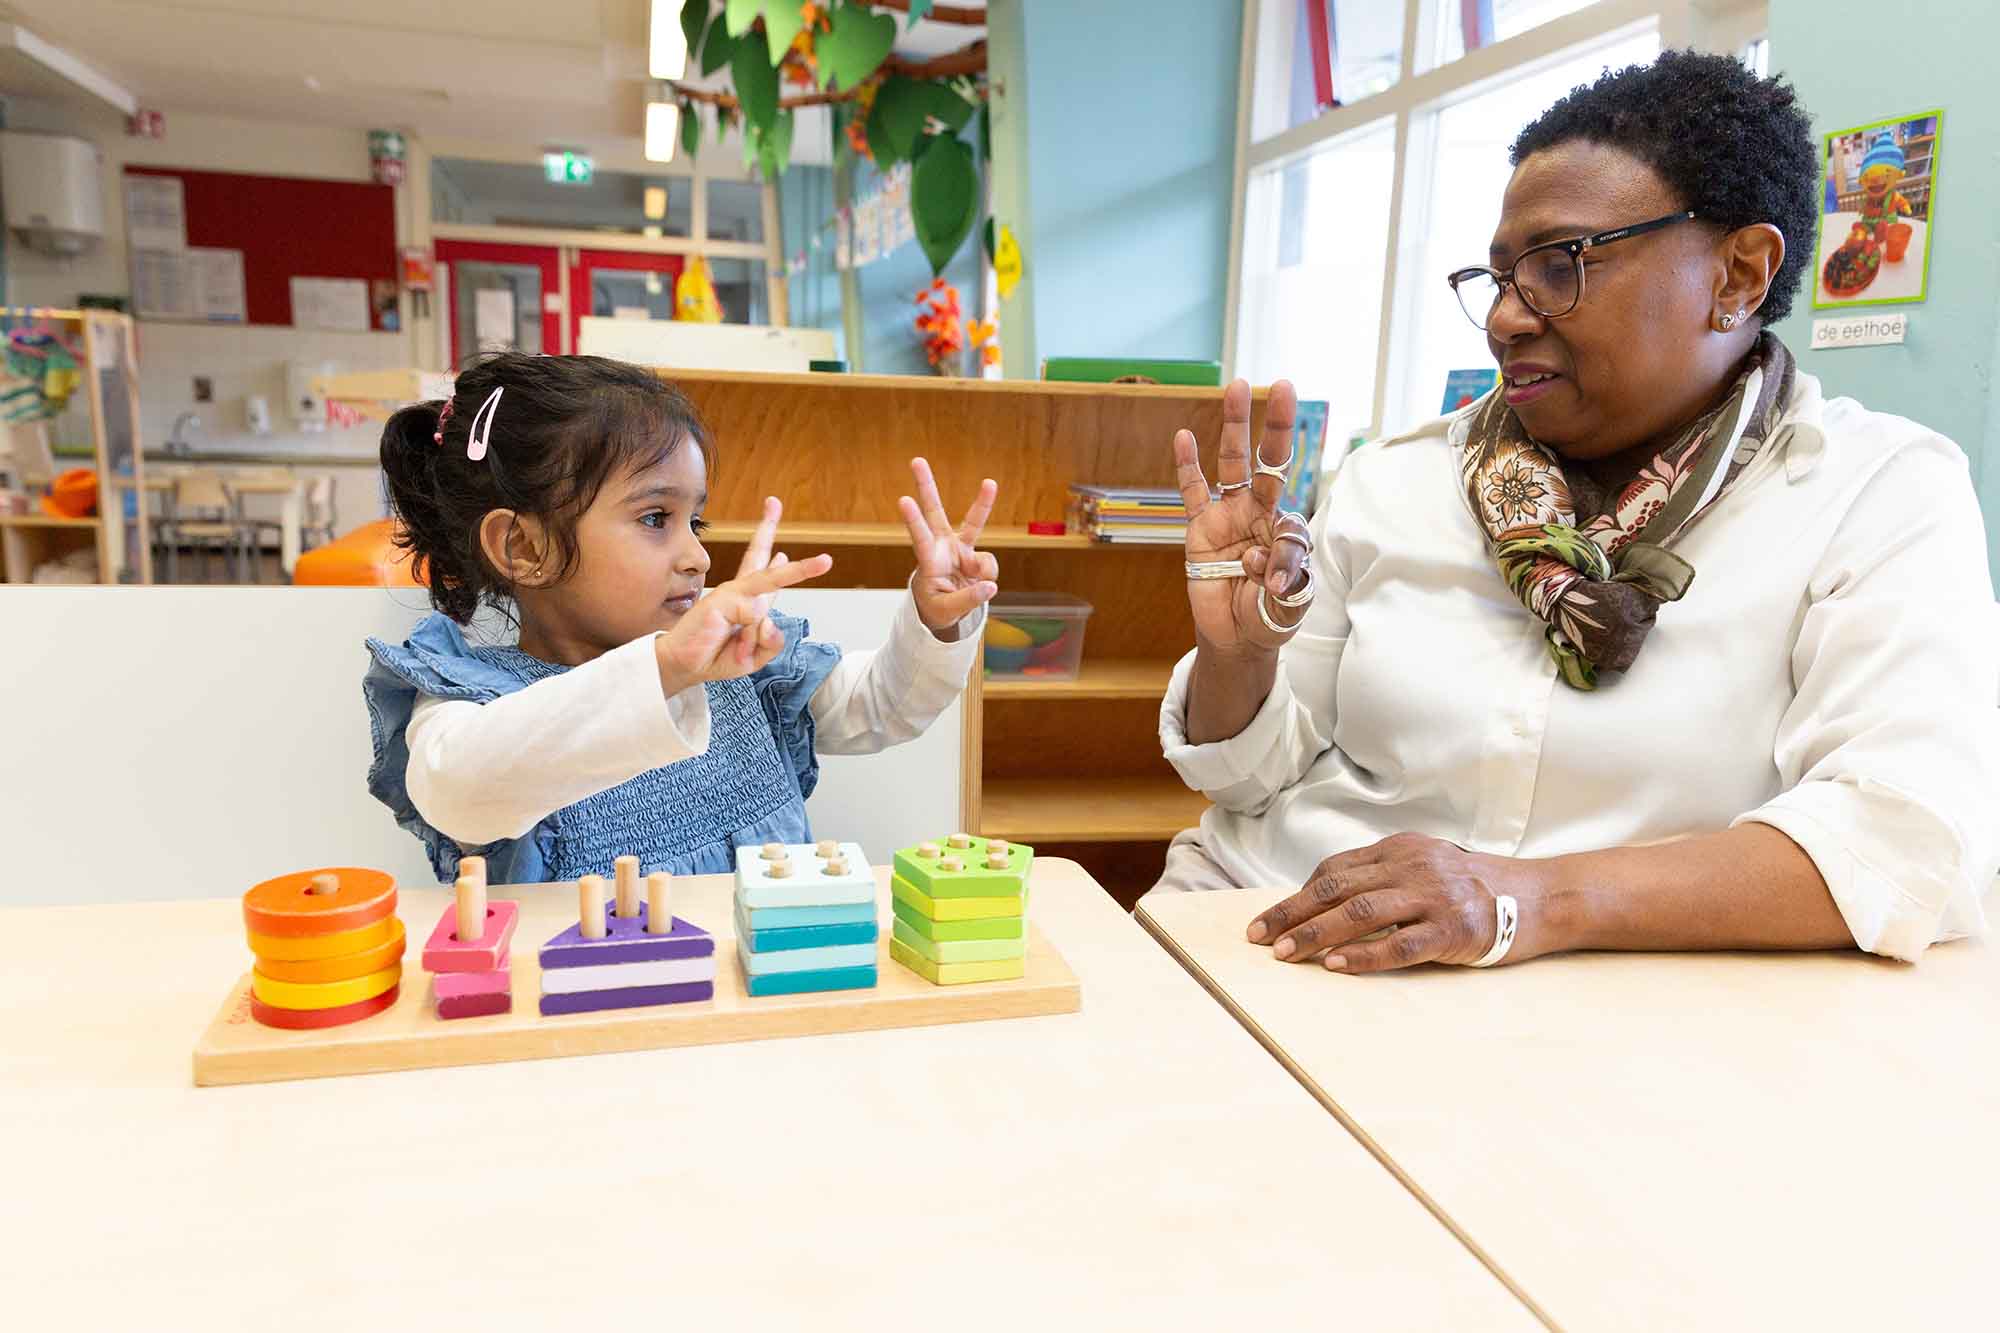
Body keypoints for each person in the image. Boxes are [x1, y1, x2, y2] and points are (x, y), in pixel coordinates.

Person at [1151, 51, 1999, 973]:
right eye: (1500, 277)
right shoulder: (1394, 481)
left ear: (1739, 276)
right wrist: (1238, 657)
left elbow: (1903, 837)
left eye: (1560, 267)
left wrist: (1526, 899)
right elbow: (1251, 781)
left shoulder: (1874, 493)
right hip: (1264, 919)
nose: (1506, 319)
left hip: (1597, 1009)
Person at [363, 352, 998, 884]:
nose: (698, 556)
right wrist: (665, 668)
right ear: (524, 547)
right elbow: (457, 789)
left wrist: (935, 620)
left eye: (695, 521)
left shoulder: (738, 664)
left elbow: (881, 707)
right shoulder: (470, 699)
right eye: (654, 519)